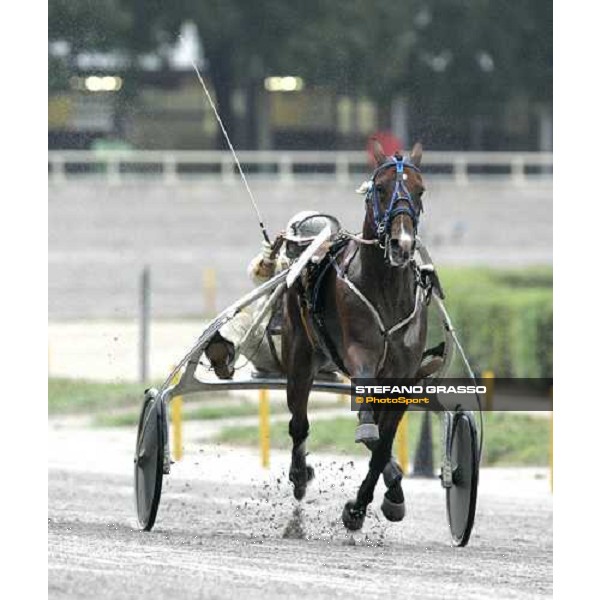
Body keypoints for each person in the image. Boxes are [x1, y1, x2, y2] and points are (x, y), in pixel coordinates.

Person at [204, 210, 321, 379]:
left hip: (318, 354)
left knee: (359, 338)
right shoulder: (279, 263)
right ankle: (223, 355)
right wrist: (269, 259)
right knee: (240, 320)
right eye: (304, 243)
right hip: (268, 348)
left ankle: (370, 398)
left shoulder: (335, 272)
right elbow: (259, 277)